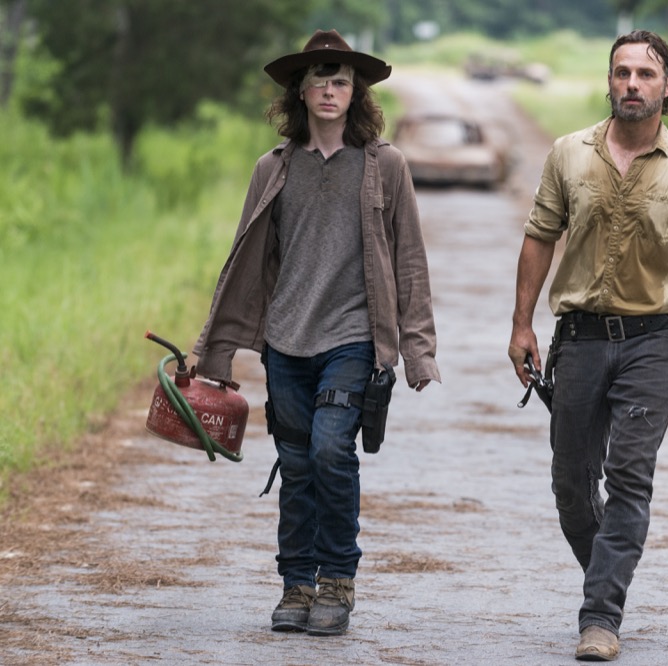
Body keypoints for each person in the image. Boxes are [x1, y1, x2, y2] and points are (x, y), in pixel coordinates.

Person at [508, 30, 668, 661]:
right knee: (571, 482)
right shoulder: (569, 155)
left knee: (629, 473)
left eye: (645, 75)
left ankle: (601, 615)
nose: (631, 84)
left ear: (667, 85)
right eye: (621, 72)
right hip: (579, 338)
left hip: (655, 339)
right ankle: (609, 572)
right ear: (609, 82)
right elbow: (540, 237)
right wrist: (521, 325)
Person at [193, 29, 439, 637]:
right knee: (296, 462)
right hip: (286, 340)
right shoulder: (272, 169)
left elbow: (409, 258)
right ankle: (296, 584)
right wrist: (216, 351)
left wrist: (417, 349)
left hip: (352, 337)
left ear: (355, 94)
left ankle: (338, 581)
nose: (329, 91)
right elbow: (244, 262)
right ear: (298, 93)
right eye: (319, 81)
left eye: (340, 82)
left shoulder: (386, 165)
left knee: (332, 451)